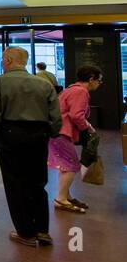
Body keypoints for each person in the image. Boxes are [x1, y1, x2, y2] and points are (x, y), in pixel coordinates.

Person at [0, 46, 61, 247]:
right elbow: (56, 117)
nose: (2, 62)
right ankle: (43, 230)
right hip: (38, 136)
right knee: (37, 183)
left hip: (9, 135)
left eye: (2, 59)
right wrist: (48, 133)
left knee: (14, 183)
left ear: (8, 60)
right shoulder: (43, 84)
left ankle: (25, 232)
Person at [48, 64, 102, 213]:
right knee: (72, 165)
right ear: (91, 79)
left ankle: (66, 195)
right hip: (62, 133)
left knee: (66, 165)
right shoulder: (80, 92)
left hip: (57, 132)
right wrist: (88, 128)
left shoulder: (71, 89)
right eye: (99, 81)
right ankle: (61, 199)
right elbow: (76, 115)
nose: (99, 84)